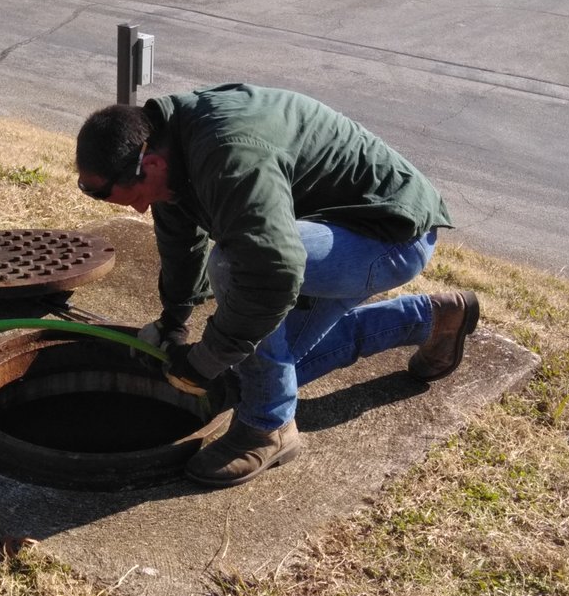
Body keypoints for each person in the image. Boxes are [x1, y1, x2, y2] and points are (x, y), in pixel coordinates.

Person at [75, 83, 479, 488]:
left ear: (152, 164)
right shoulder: (170, 147)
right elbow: (181, 243)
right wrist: (173, 320)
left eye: (135, 198)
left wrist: (205, 360)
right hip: (321, 230)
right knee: (260, 374)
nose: (141, 208)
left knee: (235, 269)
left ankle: (267, 429)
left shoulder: (227, 152)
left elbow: (270, 272)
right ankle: (434, 318)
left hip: (388, 236)